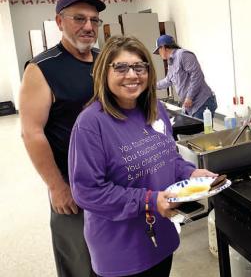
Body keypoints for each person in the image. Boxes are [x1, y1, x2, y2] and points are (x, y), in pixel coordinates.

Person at [68, 35, 217, 277]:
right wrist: (149, 200)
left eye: (139, 66)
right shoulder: (90, 123)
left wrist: (191, 173)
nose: (132, 75)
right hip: (120, 250)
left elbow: (170, 157)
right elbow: (87, 191)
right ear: (104, 72)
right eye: (121, 67)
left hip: (161, 237)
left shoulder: (155, 109)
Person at [19, 0, 105, 276]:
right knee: (81, 259)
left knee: (114, 254)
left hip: (113, 177)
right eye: (79, 19)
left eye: (94, 20)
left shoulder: (104, 59)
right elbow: (31, 132)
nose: (89, 27)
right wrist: (57, 187)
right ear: (59, 22)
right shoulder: (42, 69)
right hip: (73, 184)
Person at [153, 34, 217, 119]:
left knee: (200, 131)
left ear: (164, 47)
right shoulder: (171, 62)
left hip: (201, 102)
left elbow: (197, 76)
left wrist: (189, 97)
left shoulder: (183, 55)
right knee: (192, 130)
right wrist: (152, 85)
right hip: (190, 106)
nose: (159, 54)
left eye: (159, 51)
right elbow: (168, 80)